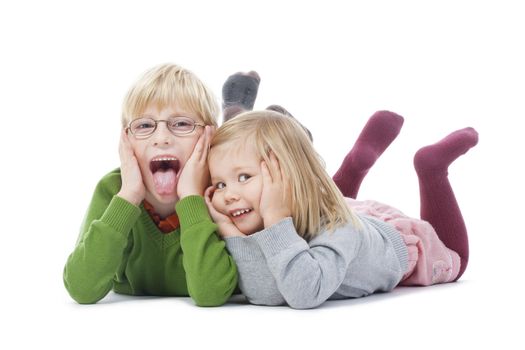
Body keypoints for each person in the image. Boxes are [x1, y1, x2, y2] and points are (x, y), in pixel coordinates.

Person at [204, 110, 478, 309]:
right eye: (218, 184)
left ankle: (432, 170)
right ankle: (355, 164)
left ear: (287, 175)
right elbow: (266, 292)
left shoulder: (337, 229)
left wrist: (275, 220)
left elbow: (303, 293)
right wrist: (229, 230)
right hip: (347, 212)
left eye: (243, 177)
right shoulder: (261, 214)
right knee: (323, 199)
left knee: (457, 258)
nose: (228, 195)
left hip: (391, 240)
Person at [63, 63, 238, 306]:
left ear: (208, 136)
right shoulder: (114, 189)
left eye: (181, 124)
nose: (162, 139)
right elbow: (82, 288)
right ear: (127, 139)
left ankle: (238, 116)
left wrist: (191, 198)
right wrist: (128, 196)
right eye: (144, 126)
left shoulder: (223, 193)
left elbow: (211, 293)